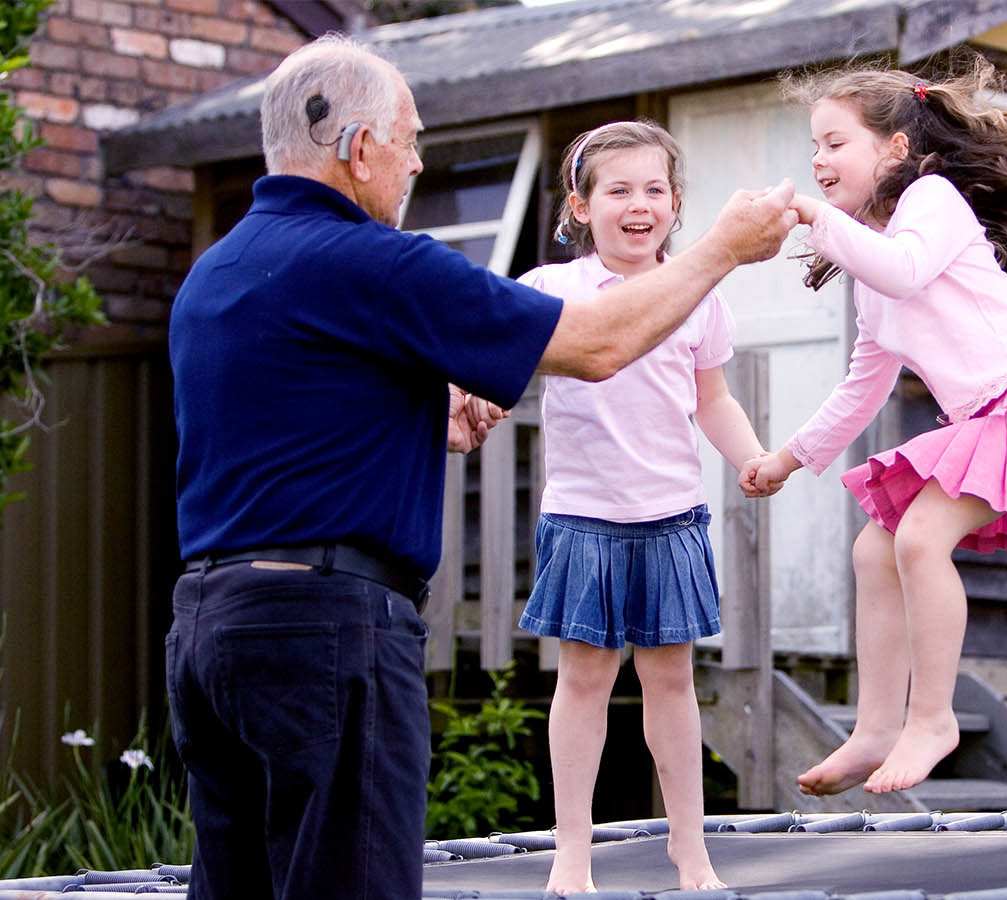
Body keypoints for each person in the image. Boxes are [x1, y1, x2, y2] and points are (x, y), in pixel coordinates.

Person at [164, 34, 796, 900]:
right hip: (329, 631)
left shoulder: (217, 274)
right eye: (411, 139)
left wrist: (426, 410)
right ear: (357, 150)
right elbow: (600, 344)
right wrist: (722, 247)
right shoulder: (376, 262)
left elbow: (297, 419)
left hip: (209, 633)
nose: (417, 162)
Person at [742, 57, 1007, 797]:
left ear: (894, 149)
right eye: (813, 146)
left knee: (917, 538)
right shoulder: (871, 266)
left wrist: (818, 220)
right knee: (873, 551)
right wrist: (787, 458)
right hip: (987, 419)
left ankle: (933, 718)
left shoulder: (933, 202)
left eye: (835, 143)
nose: (817, 161)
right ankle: (877, 727)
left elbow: (907, 269)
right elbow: (862, 387)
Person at [515, 120, 776, 894]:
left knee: (671, 683)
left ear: (676, 204)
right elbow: (493, 360)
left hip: (670, 515)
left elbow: (713, 399)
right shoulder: (551, 290)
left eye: (654, 190)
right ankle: (572, 852)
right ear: (581, 206)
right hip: (583, 515)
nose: (639, 205)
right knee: (585, 682)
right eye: (619, 190)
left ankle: (689, 849)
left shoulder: (698, 291)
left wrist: (753, 457)